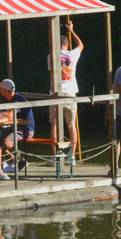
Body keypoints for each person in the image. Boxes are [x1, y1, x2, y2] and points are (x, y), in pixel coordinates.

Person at [47, 22, 84, 166]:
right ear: (67, 45)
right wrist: (72, 31)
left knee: (54, 125)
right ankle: (72, 156)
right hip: (70, 94)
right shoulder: (72, 55)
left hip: (55, 93)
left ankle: (55, 157)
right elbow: (81, 45)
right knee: (71, 125)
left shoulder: (51, 56)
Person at [0, 79, 35, 172]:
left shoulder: (18, 100)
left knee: (6, 142)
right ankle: (9, 160)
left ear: (4, 90)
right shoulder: (4, 100)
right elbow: (3, 114)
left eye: (0, 88)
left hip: (26, 129)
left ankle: (22, 161)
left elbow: (9, 115)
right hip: (12, 127)